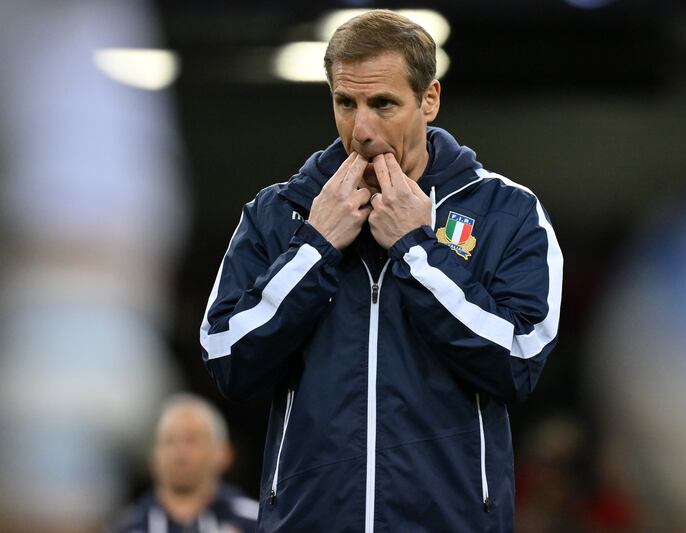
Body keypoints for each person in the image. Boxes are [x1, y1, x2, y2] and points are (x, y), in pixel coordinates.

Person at [200, 9, 563, 532]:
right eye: (345, 103)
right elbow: (227, 357)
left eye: (383, 104)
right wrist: (315, 247)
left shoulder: (506, 212)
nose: (362, 129)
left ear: (429, 100)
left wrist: (417, 252)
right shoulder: (279, 213)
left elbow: (520, 359)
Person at [114, 394, 258, 533]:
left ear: (223, 453)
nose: (180, 452)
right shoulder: (128, 526)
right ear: (153, 457)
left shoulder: (254, 522)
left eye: (191, 440)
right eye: (169, 441)